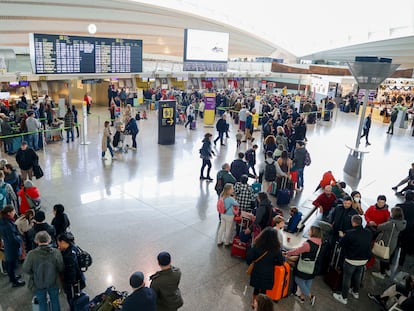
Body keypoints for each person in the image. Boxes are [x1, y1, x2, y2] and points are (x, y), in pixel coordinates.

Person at [332, 215, 372, 305]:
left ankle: (344, 297)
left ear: (353, 222)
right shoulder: (368, 232)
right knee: (357, 276)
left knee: (347, 278)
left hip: (351, 259)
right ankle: (355, 292)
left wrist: (342, 236)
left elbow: (341, 243)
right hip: (364, 259)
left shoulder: (350, 233)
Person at [23, 231, 64, 311]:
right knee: (55, 301)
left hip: (38, 284)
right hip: (54, 282)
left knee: (42, 303)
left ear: (37, 241)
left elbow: (26, 269)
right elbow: (61, 267)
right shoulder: (56, 252)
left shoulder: (31, 254)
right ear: (49, 240)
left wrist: (34, 273)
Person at [246, 227, 284, 307]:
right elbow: (281, 262)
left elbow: (249, 257)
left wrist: (252, 262)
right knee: (264, 290)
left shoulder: (257, 245)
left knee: (256, 288)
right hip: (268, 273)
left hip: (257, 271)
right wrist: (274, 262)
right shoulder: (276, 249)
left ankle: (254, 303)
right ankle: (261, 306)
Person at [285, 226, 322, 306]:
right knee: (308, 280)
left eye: (310, 230)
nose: (308, 231)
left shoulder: (308, 244)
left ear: (313, 232)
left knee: (298, 279)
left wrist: (287, 253)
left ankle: (311, 296)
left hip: (304, 265)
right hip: (314, 265)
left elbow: (297, 251)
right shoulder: (319, 242)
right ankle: (302, 298)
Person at [372, 207, 406, 279]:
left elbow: (379, 227)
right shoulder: (402, 222)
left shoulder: (391, 223)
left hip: (386, 242)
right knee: (388, 257)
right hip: (393, 242)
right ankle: (388, 270)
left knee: (383, 258)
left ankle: (382, 273)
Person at [57, 232, 86, 310]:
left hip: (73, 283)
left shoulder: (68, 257)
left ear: (63, 242)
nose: (58, 245)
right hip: (80, 277)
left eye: (58, 243)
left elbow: (71, 273)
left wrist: (72, 283)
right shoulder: (74, 247)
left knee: (71, 298)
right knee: (78, 296)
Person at [0, 205, 25, 287]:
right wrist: (19, 238)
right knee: (12, 265)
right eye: (13, 211)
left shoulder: (4, 221)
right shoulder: (8, 225)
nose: (15, 212)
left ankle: (12, 277)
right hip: (12, 249)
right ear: (9, 213)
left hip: (8, 247)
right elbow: (13, 239)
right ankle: (14, 282)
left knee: (10, 264)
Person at [397, 191, 414, 266]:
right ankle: (401, 263)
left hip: (399, 229)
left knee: (396, 245)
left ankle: (390, 262)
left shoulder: (399, 206)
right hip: (410, 230)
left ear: (404, 197)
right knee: (404, 247)